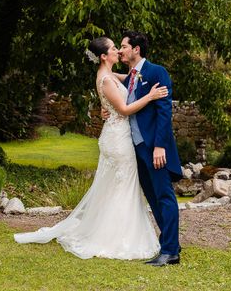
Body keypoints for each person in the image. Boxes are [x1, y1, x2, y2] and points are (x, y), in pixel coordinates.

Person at [13, 37, 168, 260]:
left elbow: (130, 82)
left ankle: (116, 232)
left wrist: (107, 108)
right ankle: (117, 238)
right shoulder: (105, 79)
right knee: (124, 186)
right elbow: (124, 109)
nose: (118, 51)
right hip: (118, 138)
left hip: (115, 135)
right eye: (114, 48)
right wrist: (151, 96)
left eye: (119, 47)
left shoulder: (110, 76)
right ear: (104, 56)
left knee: (116, 187)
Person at [118, 30, 182, 266]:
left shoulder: (157, 72)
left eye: (124, 46)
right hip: (136, 148)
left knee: (164, 195)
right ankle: (170, 243)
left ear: (136, 49)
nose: (120, 50)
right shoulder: (131, 77)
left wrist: (159, 147)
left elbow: (165, 112)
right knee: (153, 197)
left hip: (154, 147)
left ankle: (170, 252)